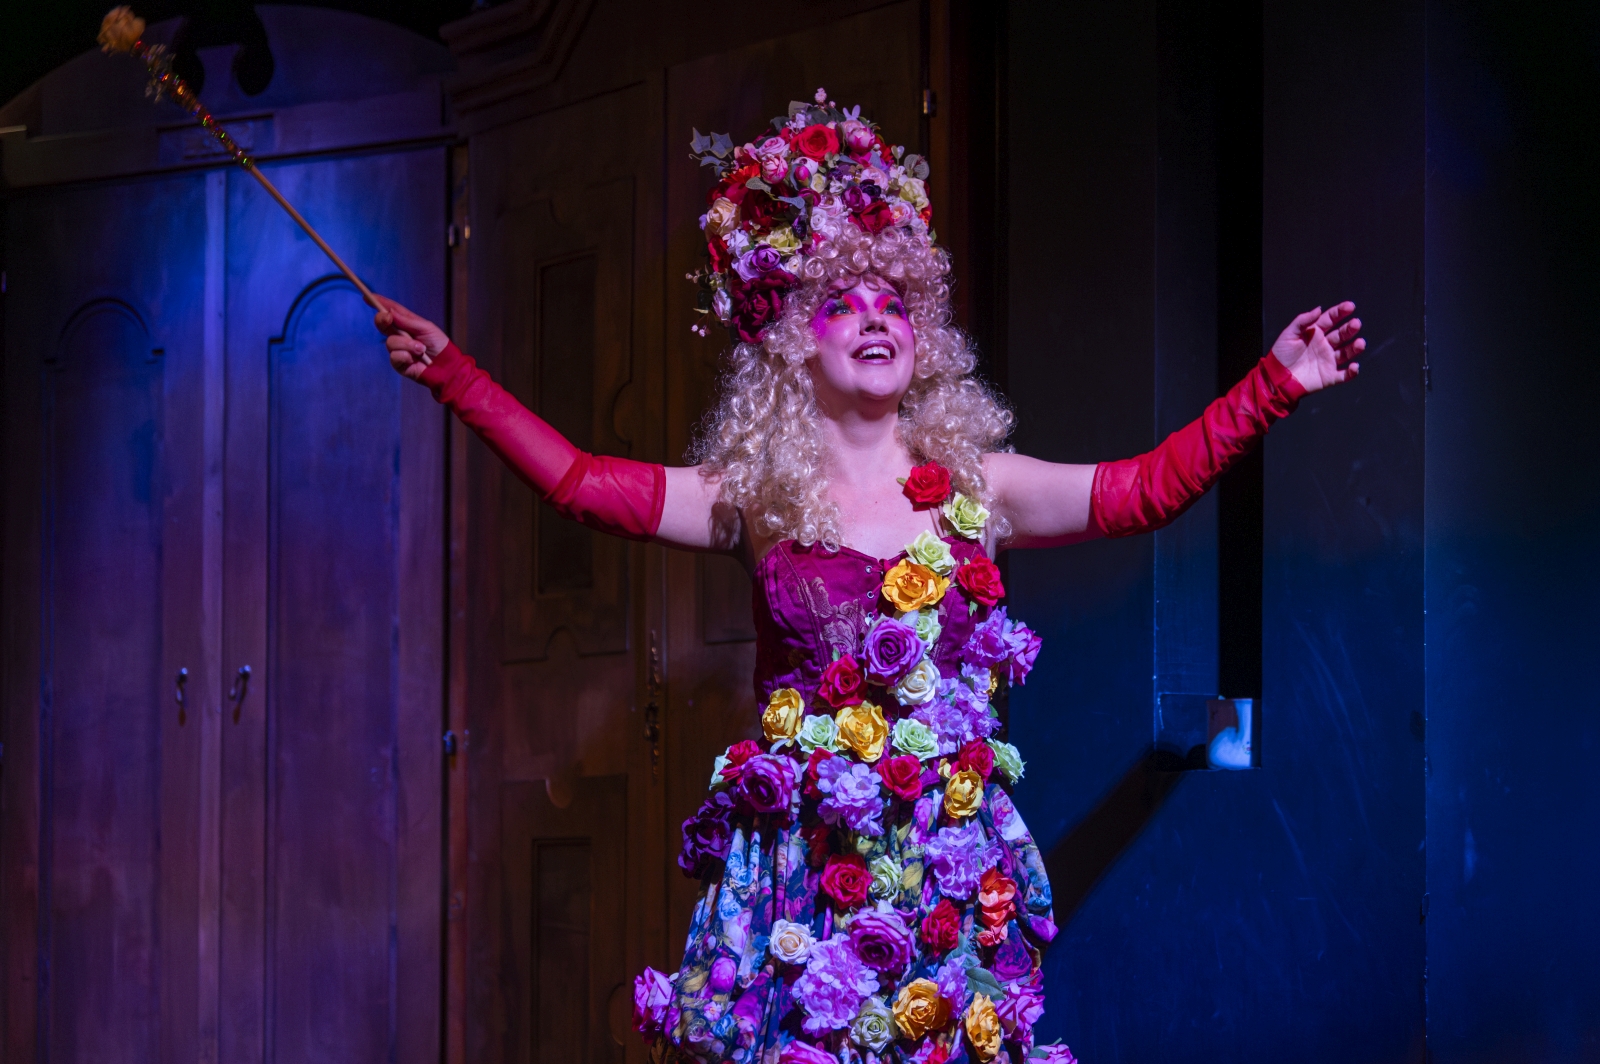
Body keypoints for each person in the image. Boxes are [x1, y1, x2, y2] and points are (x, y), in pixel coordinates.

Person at [374, 89, 1363, 1064]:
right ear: (793, 343)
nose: (872, 318)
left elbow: (1143, 492)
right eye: (839, 306)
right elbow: (585, 486)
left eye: (892, 303)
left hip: (942, 859)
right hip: (801, 869)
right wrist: (456, 374)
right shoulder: (752, 497)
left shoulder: (981, 485)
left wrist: (1274, 383)